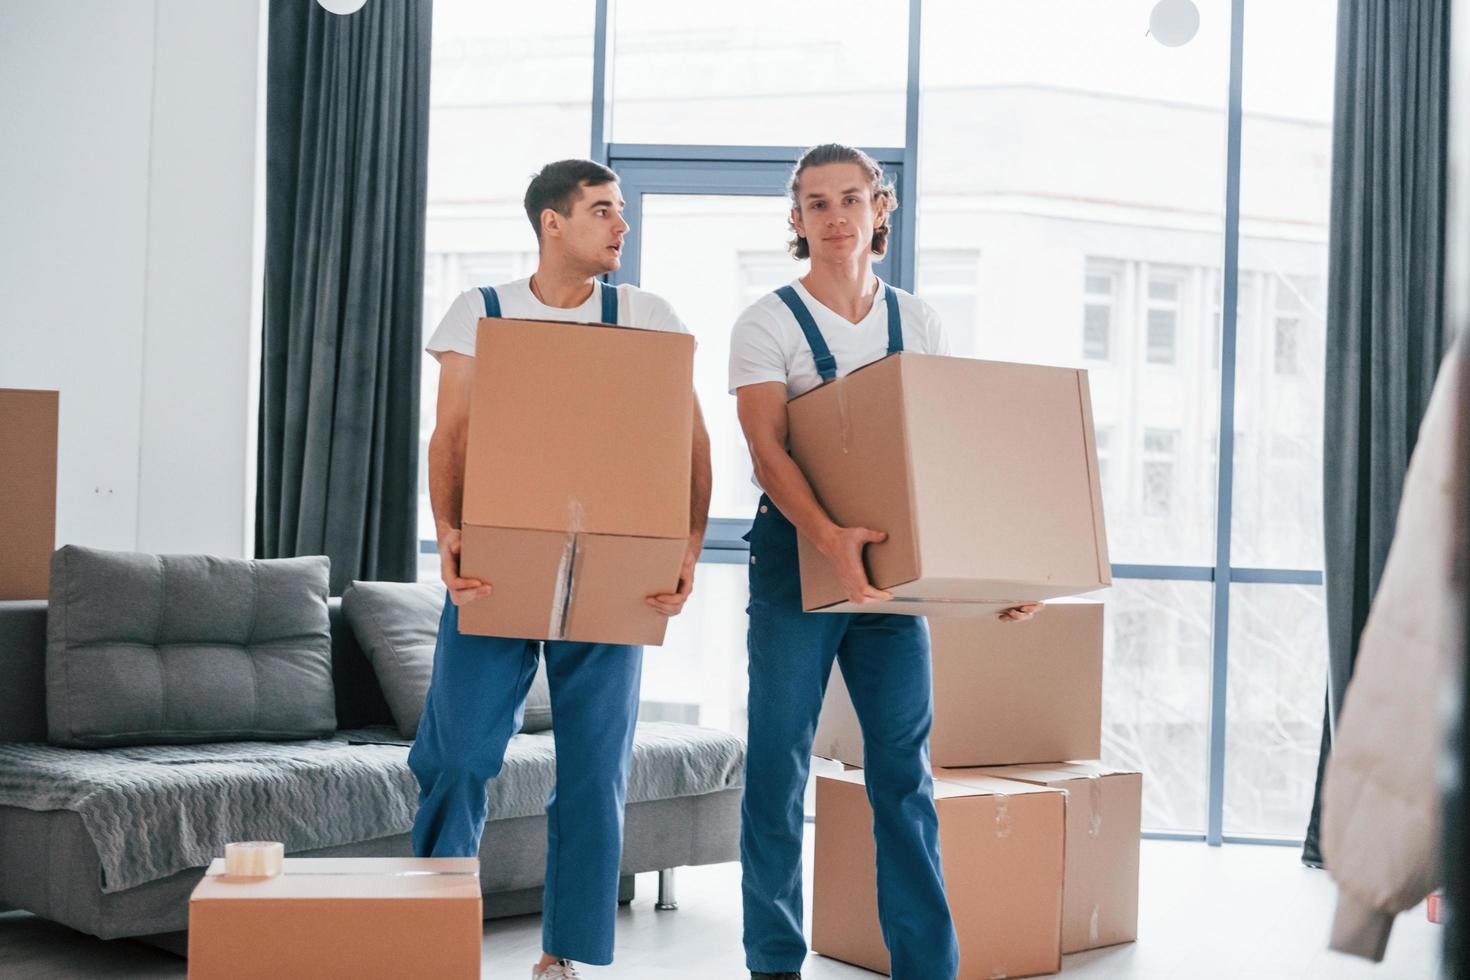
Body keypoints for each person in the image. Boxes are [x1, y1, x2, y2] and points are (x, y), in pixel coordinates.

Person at [729, 143, 1041, 980]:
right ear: (796, 220)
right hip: (796, 560)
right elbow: (766, 449)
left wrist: (996, 578)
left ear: (881, 209)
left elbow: (942, 455)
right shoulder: (767, 322)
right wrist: (828, 536)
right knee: (778, 764)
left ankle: (927, 968)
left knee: (903, 774)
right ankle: (772, 964)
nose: (835, 218)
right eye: (816, 204)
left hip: (893, 574)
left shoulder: (919, 321)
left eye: (850, 200)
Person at [409, 158, 712, 980]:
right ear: (553, 222)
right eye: (604, 211)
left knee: (593, 769)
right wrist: (448, 535)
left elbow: (688, 440)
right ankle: (433, 937)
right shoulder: (484, 310)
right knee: (458, 755)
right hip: (500, 561)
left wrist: (686, 547)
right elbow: (453, 436)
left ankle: (563, 955)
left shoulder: (645, 314)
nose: (622, 226)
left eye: (621, 212)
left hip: (613, 571)